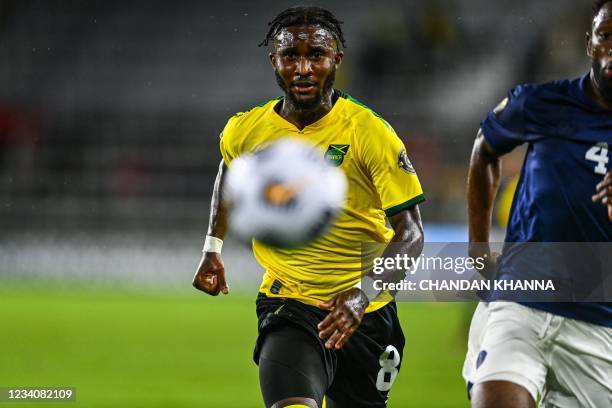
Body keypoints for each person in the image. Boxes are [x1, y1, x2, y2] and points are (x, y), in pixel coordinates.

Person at [192, 6, 425, 408]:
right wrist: (213, 247)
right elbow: (229, 170)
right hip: (289, 304)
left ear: (336, 59)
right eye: (290, 56)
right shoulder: (247, 129)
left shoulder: (369, 132)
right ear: (274, 61)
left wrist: (361, 295)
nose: (302, 68)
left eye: (315, 55)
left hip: (367, 316)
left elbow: (411, 233)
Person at [463, 1, 612, 407]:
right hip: (524, 299)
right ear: (590, 43)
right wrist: (479, 251)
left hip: (601, 325)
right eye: (607, 36)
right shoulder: (541, 103)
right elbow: (484, 149)